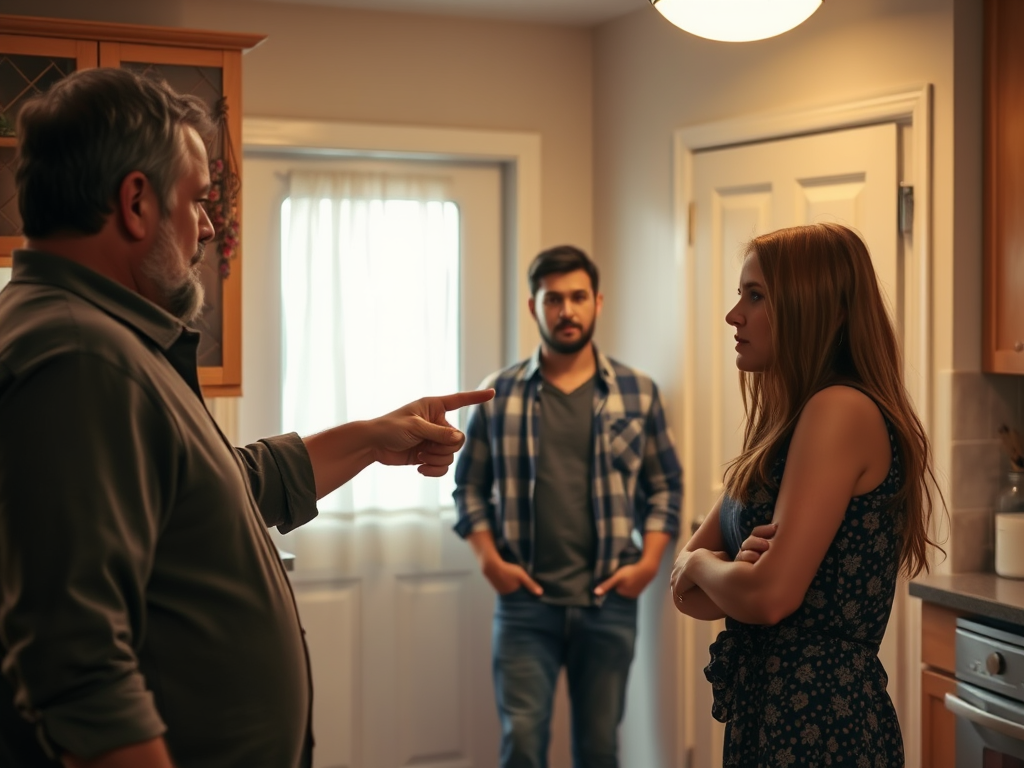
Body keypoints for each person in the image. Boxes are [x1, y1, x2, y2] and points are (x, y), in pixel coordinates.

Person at [0, 67, 492, 768]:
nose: (206, 226)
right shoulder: (80, 358)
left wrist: (374, 436)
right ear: (135, 202)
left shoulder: (103, 340)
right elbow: (75, 661)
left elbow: (218, 485)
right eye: (196, 200)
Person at [670, 223, 945, 767]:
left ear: (818, 310)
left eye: (756, 295)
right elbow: (687, 596)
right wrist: (720, 573)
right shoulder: (782, 423)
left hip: (818, 726)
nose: (734, 315)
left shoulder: (839, 410)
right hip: (772, 714)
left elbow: (766, 596)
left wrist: (704, 565)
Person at [453, 245, 683, 768]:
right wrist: (490, 560)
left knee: (599, 750)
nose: (567, 310)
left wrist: (647, 564)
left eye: (578, 297)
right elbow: (469, 488)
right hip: (524, 605)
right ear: (534, 307)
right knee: (523, 747)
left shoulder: (637, 392)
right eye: (553, 299)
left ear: (597, 302)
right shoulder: (499, 393)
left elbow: (665, 486)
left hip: (609, 602)